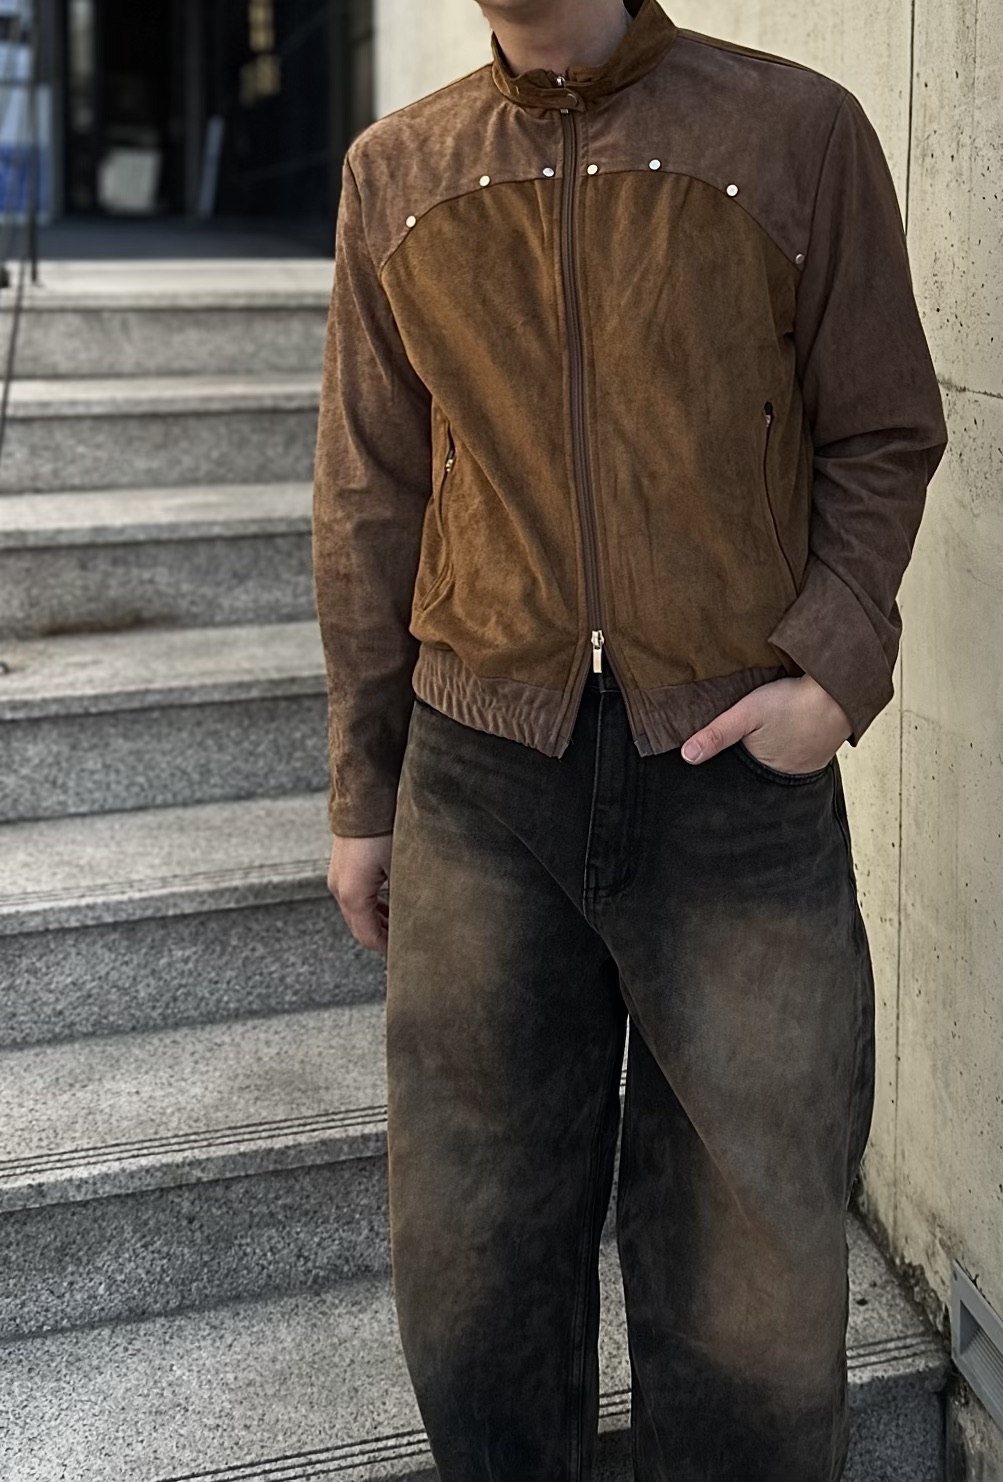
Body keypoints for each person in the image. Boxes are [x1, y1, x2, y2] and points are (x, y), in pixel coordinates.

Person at [311, 0, 947, 1476]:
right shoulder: (397, 171)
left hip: (731, 775)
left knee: (753, 1269)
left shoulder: (793, 132)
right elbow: (368, 496)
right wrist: (364, 785)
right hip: (482, 781)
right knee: (474, 1256)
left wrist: (832, 671)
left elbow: (881, 428)